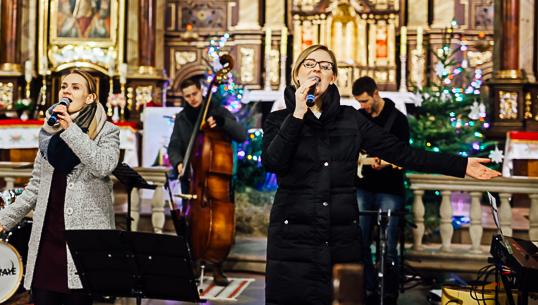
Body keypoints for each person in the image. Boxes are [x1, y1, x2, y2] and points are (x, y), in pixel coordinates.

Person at [261, 45, 501, 305]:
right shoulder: (278, 120)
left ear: (333, 78)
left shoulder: (350, 120)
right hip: (293, 237)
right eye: (309, 64)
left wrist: (460, 165)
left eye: (325, 66)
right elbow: (273, 162)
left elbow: (401, 152)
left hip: (339, 237)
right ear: (297, 73)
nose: (317, 69)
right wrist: (298, 114)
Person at [0, 69, 120, 305]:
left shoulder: (107, 131)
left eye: (75, 87)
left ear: (90, 98)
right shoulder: (49, 132)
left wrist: (71, 130)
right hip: (49, 236)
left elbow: (102, 166)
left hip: (83, 239)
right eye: (64, 86)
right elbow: (36, 185)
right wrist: (6, 218)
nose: (67, 91)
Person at [167, 77, 247, 285]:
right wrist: (178, 163)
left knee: (220, 225)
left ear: (201, 90)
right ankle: (194, 262)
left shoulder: (217, 111)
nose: (192, 98)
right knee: (190, 222)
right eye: (187, 96)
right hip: (192, 178)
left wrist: (223, 123)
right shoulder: (182, 118)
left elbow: (241, 135)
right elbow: (174, 146)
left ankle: (217, 266)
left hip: (215, 182)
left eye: (194, 94)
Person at [352, 76, 408, 304]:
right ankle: (367, 290)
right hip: (363, 186)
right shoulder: (359, 117)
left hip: (389, 188)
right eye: (359, 102)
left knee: (389, 245)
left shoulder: (398, 119)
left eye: (365, 101)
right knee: (360, 243)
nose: (362, 106)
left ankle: (389, 293)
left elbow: (405, 154)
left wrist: (386, 162)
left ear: (376, 93)